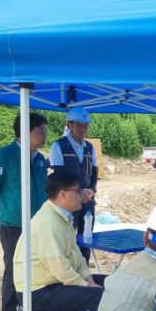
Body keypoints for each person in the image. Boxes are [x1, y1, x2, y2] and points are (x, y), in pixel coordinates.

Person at [13, 171, 105, 311]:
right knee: (98, 297)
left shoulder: (63, 217)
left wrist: (90, 280)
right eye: (78, 191)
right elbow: (59, 266)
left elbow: (76, 257)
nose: (82, 195)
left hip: (54, 282)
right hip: (36, 291)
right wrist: (86, 286)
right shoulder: (46, 222)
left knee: (111, 283)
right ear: (63, 194)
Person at [0, 112, 49, 311]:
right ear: (24, 132)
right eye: (40, 131)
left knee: (38, 269)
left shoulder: (40, 160)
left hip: (38, 225)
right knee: (14, 271)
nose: (44, 135)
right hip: (14, 225)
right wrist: (1, 206)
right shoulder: (4, 157)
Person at [49, 107, 98, 263]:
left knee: (87, 235)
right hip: (68, 201)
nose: (83, 129)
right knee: (68, 235)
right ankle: (68, 267)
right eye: (79, 125)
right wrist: (77, 194)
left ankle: (84, 264)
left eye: (85, 125)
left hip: (87, 201)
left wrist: (91, 191)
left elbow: (94, 173)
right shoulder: (58, 146)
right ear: (69, 125)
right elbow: (59, 176)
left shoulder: (90, 147)